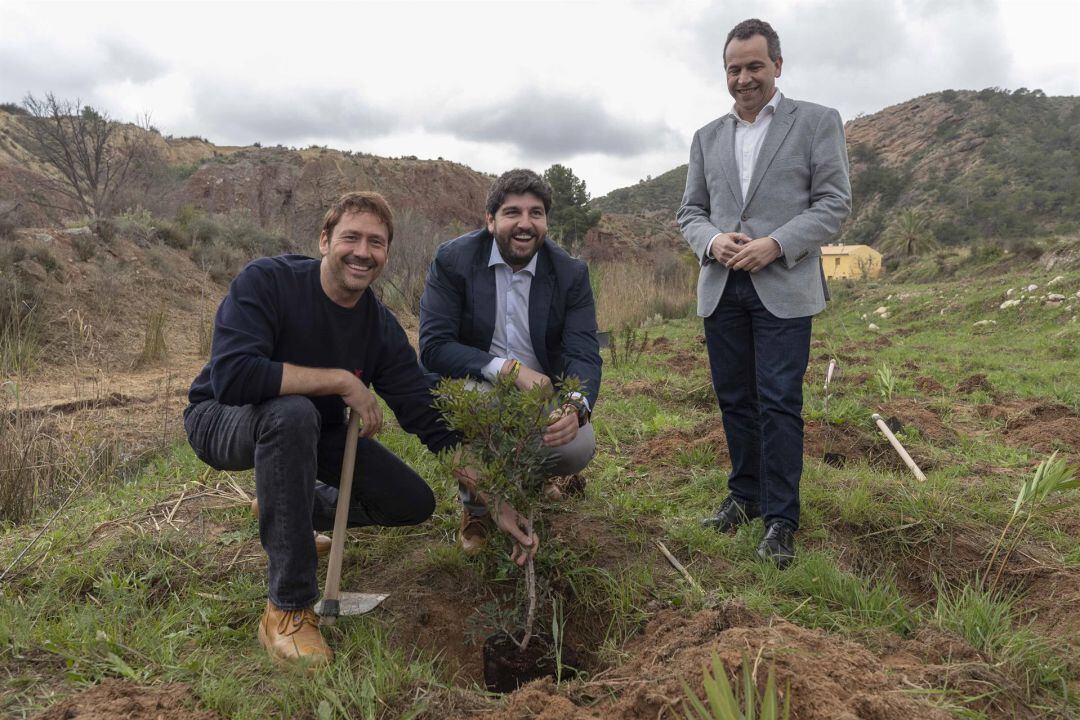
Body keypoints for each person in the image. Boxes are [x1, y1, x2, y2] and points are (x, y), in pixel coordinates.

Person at [184, 191, 538, 667]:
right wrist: (339, 382)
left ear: (386, 254)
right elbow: (234, 376)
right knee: (293, 413)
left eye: (376, 243)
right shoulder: (268, 281)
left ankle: (286, 503)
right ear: (325, 239)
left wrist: (494, 500)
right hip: (224, 416)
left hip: (311, 434)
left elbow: (427, 419)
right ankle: (286, 610)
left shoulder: (378, 327)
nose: (363, 252)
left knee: (412, 502)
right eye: (351, 237)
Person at [677, 18, 851, 568]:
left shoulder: (818, 122)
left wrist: (775, 243)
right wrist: (712, 241)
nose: (744, 78)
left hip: (784, 285)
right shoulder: (707, 137)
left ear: (778, 65)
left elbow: (833, 204)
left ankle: (780, 518)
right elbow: (690, 211)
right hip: (723, 287)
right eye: (734, 68)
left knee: (779, 401)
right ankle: (745, 496)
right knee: (734, 398)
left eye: (755, 66)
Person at [419, 169, 602, 554]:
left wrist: (574, 406)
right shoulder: (453, 261)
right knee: (479, 407)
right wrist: (509, 369)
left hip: (543, 395)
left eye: (535, 213)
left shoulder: (570, 273)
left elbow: (583, 351)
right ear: (490, 220)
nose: (525, 224)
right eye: (512, 212)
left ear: (546, 222)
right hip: (477, 383)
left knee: (576, 447)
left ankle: (531, 481)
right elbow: (434, 346)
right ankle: (478, 508)